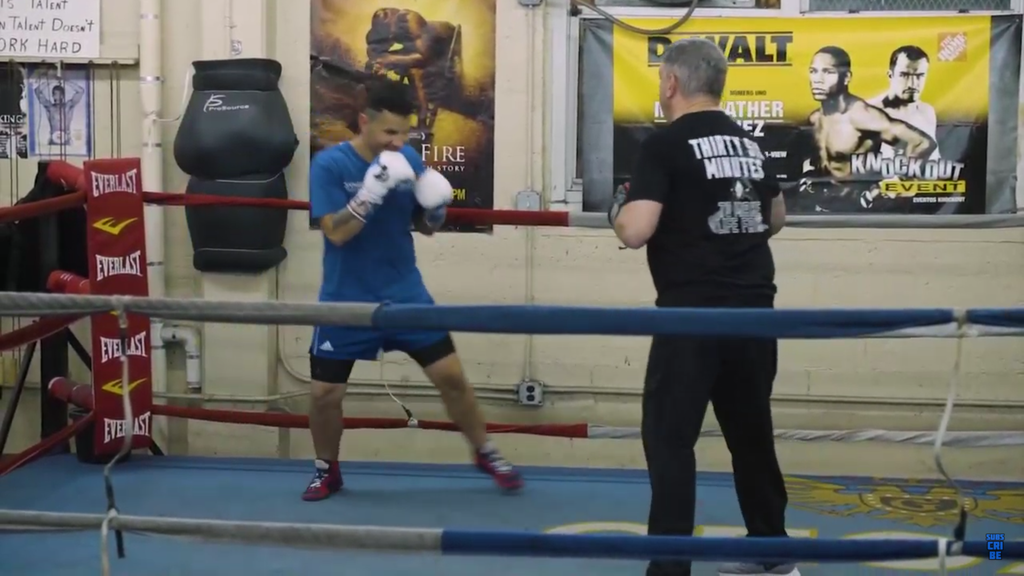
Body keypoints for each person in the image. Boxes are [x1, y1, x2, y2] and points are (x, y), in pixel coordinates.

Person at [608, 38, 798, 576]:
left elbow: (635, 231)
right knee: (751, 435)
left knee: (669, 440)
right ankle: (773, 557)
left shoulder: (665, 145)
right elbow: (775, 218)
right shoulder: (750, 143)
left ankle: (670, 570)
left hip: (692, 314)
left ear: (671, 82)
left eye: (660, 80)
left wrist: (617, 208)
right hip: (754, 311)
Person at [305, 79, 523, 501]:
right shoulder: (329, 166)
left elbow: (424, 227)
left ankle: (486, 452)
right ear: (364, 122)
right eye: (390, 132)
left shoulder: (406, 157)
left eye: (405, 132)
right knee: (325, 394)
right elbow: (336, 233)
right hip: (345, 297)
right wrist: (370, 192)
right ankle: (326, 469)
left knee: (452, 378)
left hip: (405, 292)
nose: (399, 141)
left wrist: (436, 211)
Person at [797, 46, 936, 212]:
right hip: (821, 209)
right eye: (813, 71)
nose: (818, 79)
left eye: (828, 72)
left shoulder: (862, 116)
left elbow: (923, 142)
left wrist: (896, 180)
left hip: (856, 211)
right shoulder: (815, 118)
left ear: (846, 77)